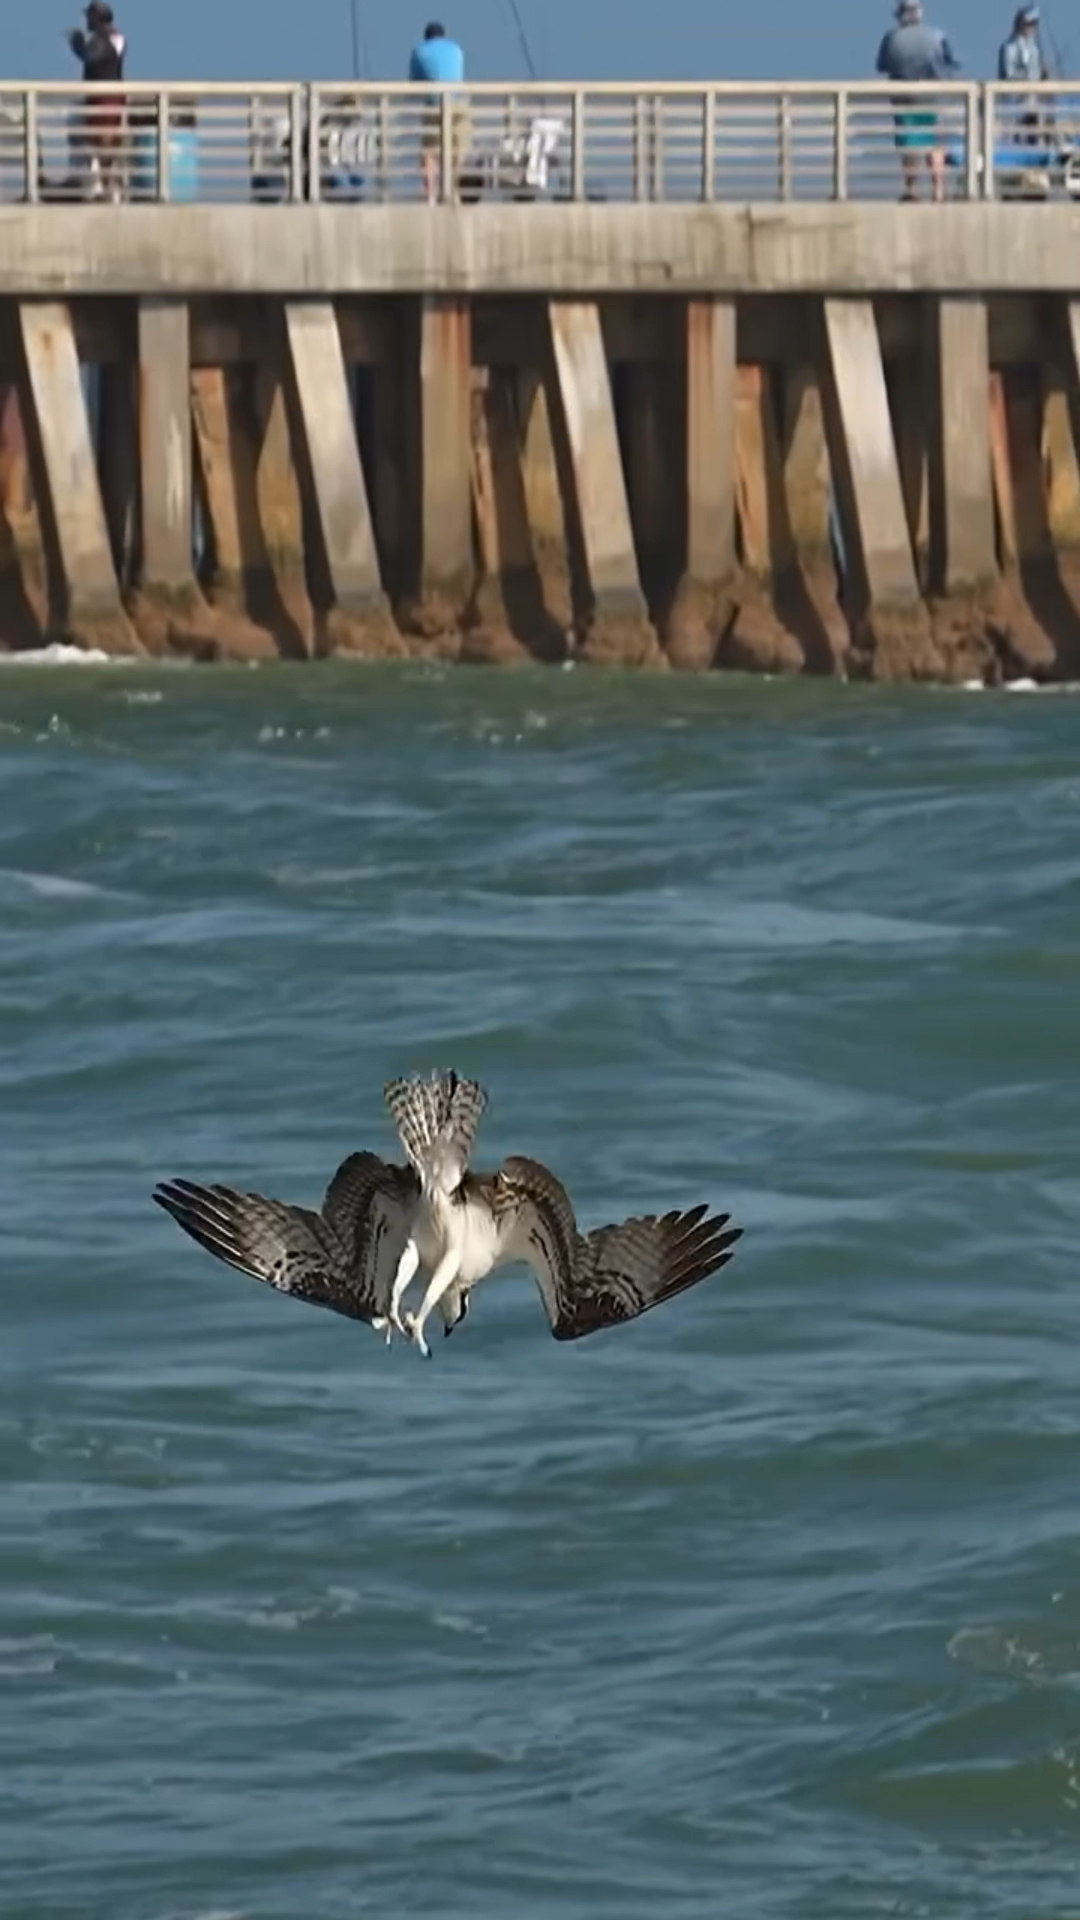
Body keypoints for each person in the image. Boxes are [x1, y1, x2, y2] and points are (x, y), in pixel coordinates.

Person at [876, 0, 959, 204]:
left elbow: (881, 65)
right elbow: (950, 63)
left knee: (909, 145)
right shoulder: (936, 36)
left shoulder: (891, 38)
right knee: (934, 144)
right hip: (932, 98)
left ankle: (912, 189)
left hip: (904, 99)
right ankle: (938, 190)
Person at [66, 1, 127, 200]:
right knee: (108, 145)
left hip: (100, 100)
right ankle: (109, 186)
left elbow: (90, 57)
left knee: (81, 133)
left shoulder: (101, 38)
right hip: (115, 99)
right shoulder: (118, 38)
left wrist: (76, 44)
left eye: (89, 17)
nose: (86, 21)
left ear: (97, 17)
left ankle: (93, 183)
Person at [408, 22, 468, 204]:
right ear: (444, 36)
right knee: (459, 147)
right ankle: (454, 190)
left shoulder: (419, 51)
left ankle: (430, 196)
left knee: (429, 152)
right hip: (457, 103)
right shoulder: (456, 50)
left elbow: (414, 82)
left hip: (433, 105)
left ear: (427, 37)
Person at [998, 7, 1049, 143]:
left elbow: (1036, 70)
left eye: (1033, 23)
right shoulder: (1009, 47)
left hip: (1033, 99)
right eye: (1028, 23)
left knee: (1036, 129)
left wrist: (1042, 76)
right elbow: (1008, 74)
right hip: (1015, 100)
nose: (1031, 27)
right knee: (1017, 133)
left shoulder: (1034, 47)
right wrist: (1026, 80)